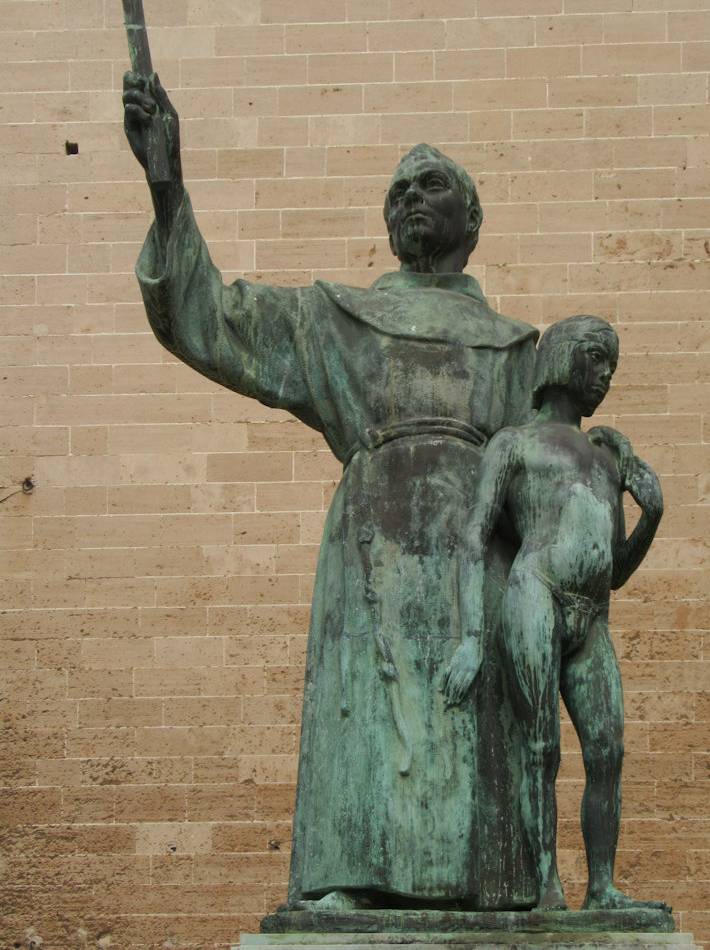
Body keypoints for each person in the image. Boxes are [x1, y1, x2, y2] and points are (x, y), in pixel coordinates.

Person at [122, 71, 539, 910]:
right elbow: (208, 319)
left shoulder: (519, 347)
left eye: (430, 185)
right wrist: (167, 186)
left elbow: (554, 473)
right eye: (396, 193)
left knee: (477, 720)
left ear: (472, 217)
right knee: (369, 715)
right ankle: (349, 876)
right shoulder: (332, 318)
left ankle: (492, 883)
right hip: (372, 542)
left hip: (475, 551)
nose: (408, 200)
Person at [459, 316, 668, 913]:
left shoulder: (607, 457)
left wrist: (650, 516)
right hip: (535, 594)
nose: (605, 376)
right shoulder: (513, 443)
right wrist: (473, 636)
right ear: (563, 359)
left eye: (612, 366)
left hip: (589, 616)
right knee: (539, 747)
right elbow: (475, 536)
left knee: (608, 752)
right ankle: (545, 886)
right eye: (597, 359)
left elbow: (615, 570)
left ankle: (600, 888)